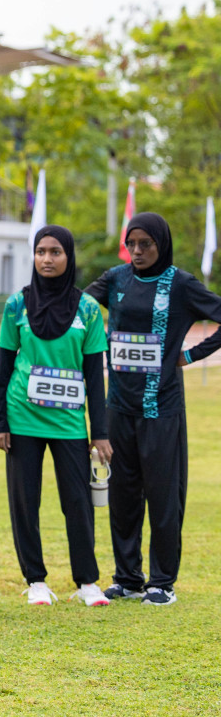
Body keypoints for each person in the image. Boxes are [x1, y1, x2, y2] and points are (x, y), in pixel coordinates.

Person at [84, 213, 221, 605]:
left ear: (162, 244)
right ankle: (127, 577)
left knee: (163, 495)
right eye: (133, 244)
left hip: (161, 406)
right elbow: (76, 307)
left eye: (147, 244)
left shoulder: (180, 284)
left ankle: (162, 582)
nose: (138, 251)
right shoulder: (115, 279)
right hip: (118, 407)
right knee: (123, 494)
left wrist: (192, 355)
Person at [0, 225, 110, 607]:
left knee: (77, 500)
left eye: (55, 252)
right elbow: (5, 366)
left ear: (68, 256)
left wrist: (101, 432)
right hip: (22, 416)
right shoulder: (16, 305)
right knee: (25, 500)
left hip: (70, 422)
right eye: (41, 251)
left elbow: (95, 376)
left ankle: (88, 581)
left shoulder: (89, 309)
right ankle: (36, 580)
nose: (47, 258)